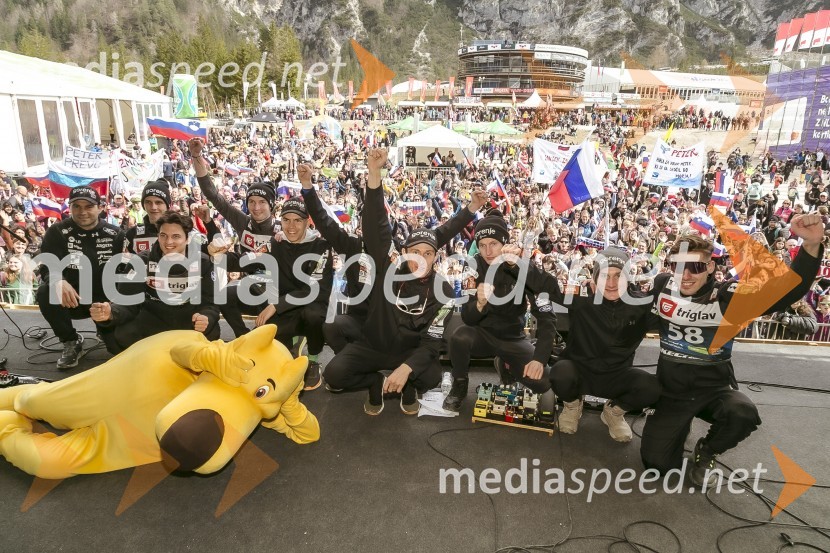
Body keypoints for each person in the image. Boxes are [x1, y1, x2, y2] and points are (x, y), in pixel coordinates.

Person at [641, 215, 824, 487]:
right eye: (679, 267)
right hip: (672, 391)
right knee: (656, 464)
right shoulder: (661, 286)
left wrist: (811, 246)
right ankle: (678, 426)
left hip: (712, 389)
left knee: (743, 413)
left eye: (695, 266)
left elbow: (783, 291)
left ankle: (708, 449)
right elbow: (630, 316)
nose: (686, 274)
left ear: (710, 266)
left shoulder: (728, 294)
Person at [296, 164, 486, 355]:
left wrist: (471, 208)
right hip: (360, 320)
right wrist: (307, 186)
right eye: (367, 221)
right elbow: (322, 220)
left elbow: (443, 233)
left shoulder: (399, 250)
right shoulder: (350, 246)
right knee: (333, 326)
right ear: (362, 225)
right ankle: (352, 358)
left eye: (380, 223)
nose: (374, 228)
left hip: (392, 323)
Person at [324, 148, 455, 415]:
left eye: (428, 254)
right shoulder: (389, 267)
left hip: (408, 351)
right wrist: (375, 174)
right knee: (334, 375)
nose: (421, 259)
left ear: (436, 257)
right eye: (415, 252)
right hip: (372, 344)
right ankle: (376, 382)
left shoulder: (444, 290)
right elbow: (376, 227)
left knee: (430, 377)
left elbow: (432, 342)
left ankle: (406, 384)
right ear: (404, 253)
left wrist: (407, 368)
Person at [442, 211, 558, 416]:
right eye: (482, 244)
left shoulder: (520, 262)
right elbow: (468, 318)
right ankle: (459, 383)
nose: (487, 251)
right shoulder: (473, 265)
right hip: (483, 334)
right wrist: (478, 304)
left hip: (513, 337)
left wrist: (540, 358)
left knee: (544, 381)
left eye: (493, 244)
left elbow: (547, 312)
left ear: (504, 242)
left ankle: (507, 365)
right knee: (459, 336)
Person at [548, 247, 661, 442]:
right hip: (580, 370)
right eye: (605, 276)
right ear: (594, 280)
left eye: (618, 276)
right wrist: (514, 263)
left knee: (651, 388)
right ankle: (572, 406)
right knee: (559, 373)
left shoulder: (642, 306)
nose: (611, 283)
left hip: (617, 375)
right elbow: (545, 284)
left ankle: (614, 412)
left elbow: (679, 316)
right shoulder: (581, 298)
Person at [90, 211, 219, 353]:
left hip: (188, 320)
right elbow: (128, 303)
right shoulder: (140, 261)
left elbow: (211, 304)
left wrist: (206, 317)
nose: (168, 242)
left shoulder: (203, 262)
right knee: (122, 334)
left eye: (176, 236)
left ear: (187, 238)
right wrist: (111, 312)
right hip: (152, 319)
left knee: (211, 333)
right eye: (163, 235)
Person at [189, 137, 279, 337]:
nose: (256, 208)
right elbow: (213, 195)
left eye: (262, 202)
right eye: (252, 202)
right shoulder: (243, 221)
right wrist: (196, 156)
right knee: (223, 294)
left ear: (271, 205)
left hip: (278, 292)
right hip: (250, 286)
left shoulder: (283, 229)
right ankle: (243, 337)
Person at [36, 186, 125, 369]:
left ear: (100, 208)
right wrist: (58, 280)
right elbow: (46, 263)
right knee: (45, 290)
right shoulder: (57, 231)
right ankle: (70, 341)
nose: (82, 212)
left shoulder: (116, 234)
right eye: (77, 206)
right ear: (70, 208)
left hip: (106, 301)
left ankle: (105, 328)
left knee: (119, 350)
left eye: (88, 206)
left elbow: (124, 272)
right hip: (71, 299)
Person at [252, 197, 334, 391]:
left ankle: (313, 359)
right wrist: (218, 254)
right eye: (286, 220)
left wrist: (276, 306)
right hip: (286, 307)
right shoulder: (275, 242)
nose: (291, 226)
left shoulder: (321, 247)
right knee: (262, 340)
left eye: (298, 220)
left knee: (312, 316)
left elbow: (313, 290)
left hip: (310, 305)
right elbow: (247, 260)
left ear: (307, 222)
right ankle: (294, 342)